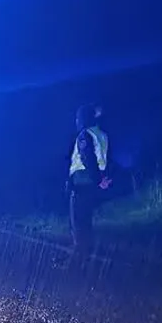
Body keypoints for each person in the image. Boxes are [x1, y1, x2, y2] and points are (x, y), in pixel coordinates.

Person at [68, 103, 110, 257]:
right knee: (86, 220)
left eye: (78, 118)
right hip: (93, 182)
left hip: (82, 181)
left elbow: (88, 158)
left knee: (78, 221)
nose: (76, 121)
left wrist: (97, 179)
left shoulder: (84, 135)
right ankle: (88, 254)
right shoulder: (101, 135)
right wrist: (101, 179)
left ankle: (79, 257)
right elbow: (103, 160)